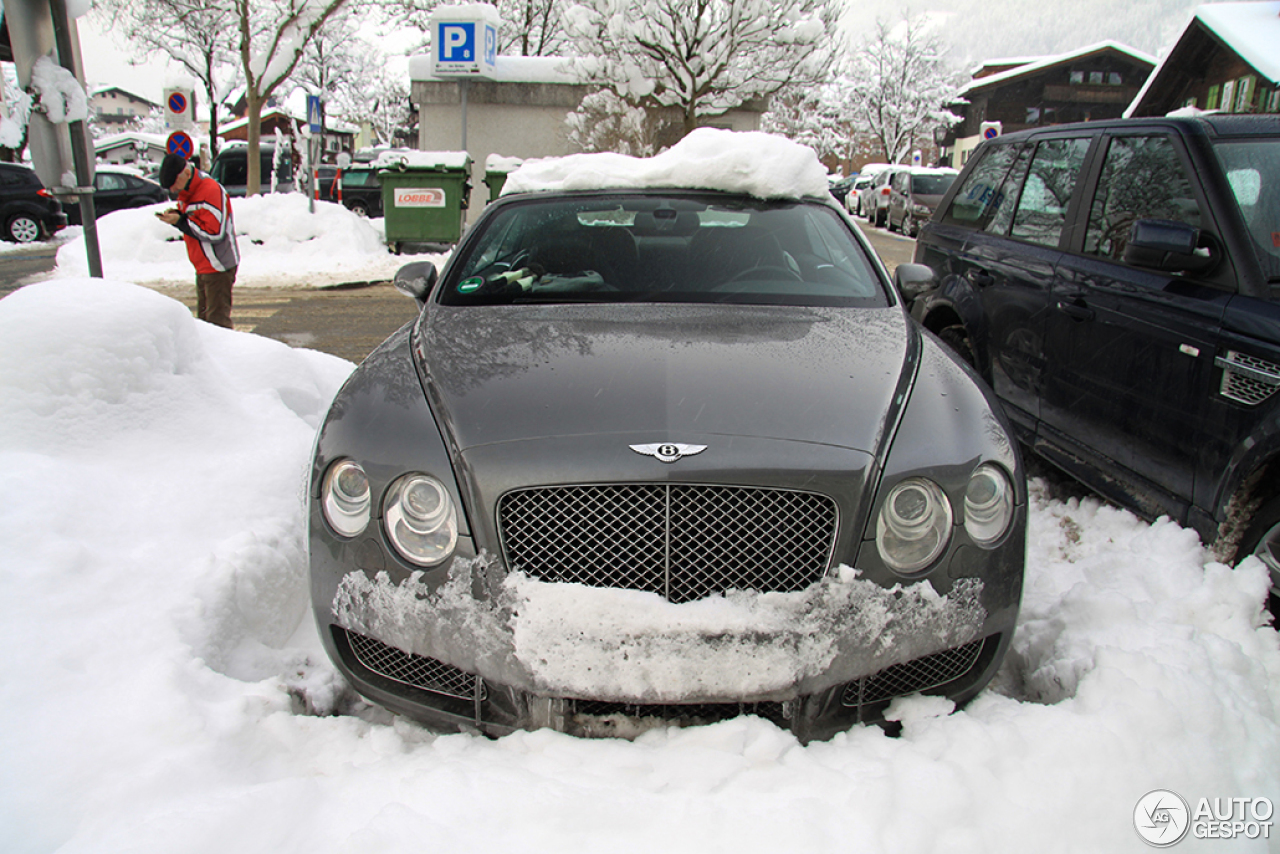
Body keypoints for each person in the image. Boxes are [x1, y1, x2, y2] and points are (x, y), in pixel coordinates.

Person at [155, 153, 240, 329]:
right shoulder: (187, 191)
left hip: (217, 266)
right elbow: (194, 219)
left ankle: (227, 356)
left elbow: (214, 233)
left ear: (186, 173)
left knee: (218, 326)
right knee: (205, 325)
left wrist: (181, 222)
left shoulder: (209, 190)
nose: (173, 191)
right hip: (204, 265)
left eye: (174, 185)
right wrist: (179, 216)